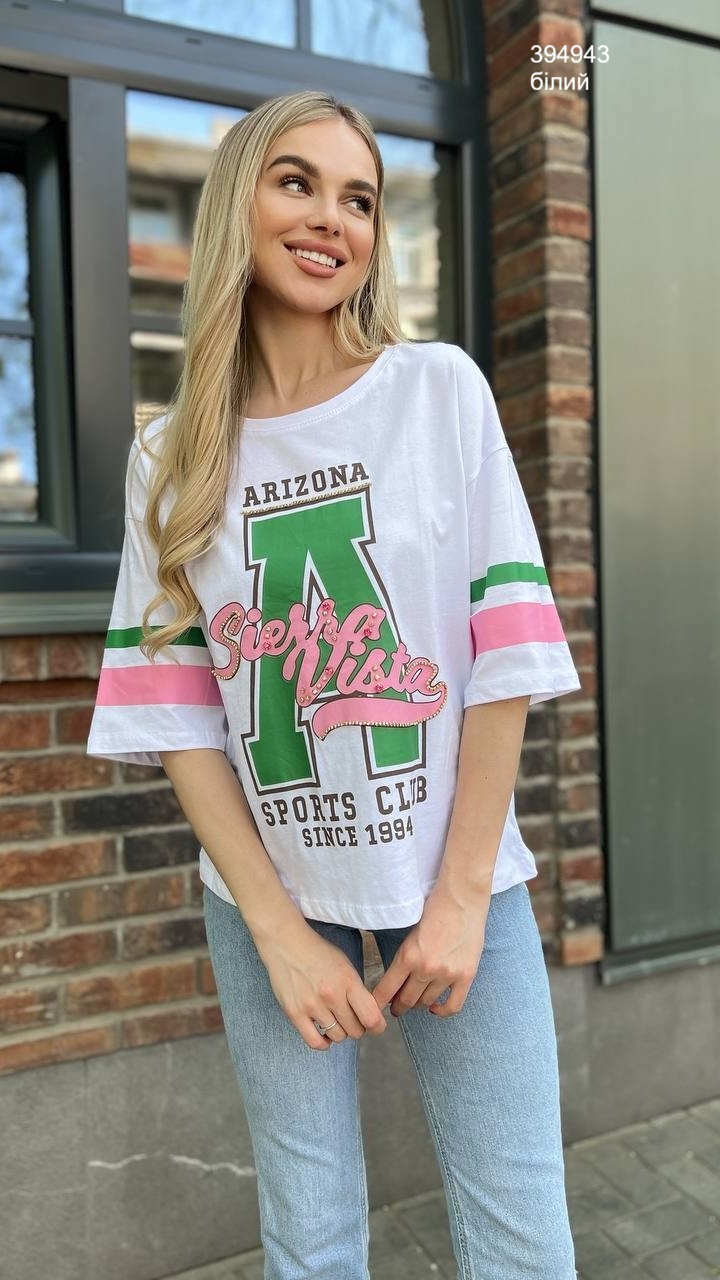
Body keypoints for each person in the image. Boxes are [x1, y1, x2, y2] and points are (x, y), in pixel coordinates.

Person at [87, 89, 581, 1280]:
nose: (332, 218)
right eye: (296, 182)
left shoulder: (439, 391)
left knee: (522, 1236)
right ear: (237, 205)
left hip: (453, 871)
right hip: (269, 892)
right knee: (308, 1241)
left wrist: (460, 896)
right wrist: (276, 929)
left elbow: (505, 653)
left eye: (359, 198)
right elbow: (182, 717)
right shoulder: (169, 456)